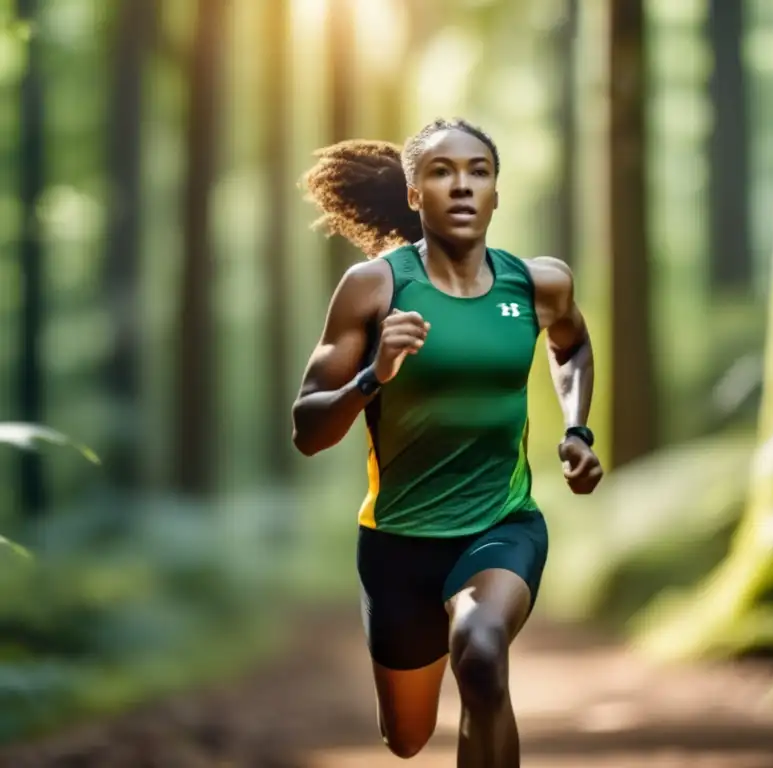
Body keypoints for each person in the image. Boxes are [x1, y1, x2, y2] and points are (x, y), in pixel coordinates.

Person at [291, 118, 603, 767]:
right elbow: (307, 430)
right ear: (413, 195)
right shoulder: (374, 288)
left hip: (501, 525)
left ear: (496, 193)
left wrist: (577, 429)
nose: (462, 186)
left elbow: (570, 348)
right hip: (398, 540)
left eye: (478, 171)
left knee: (483, 652)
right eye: (440, 172)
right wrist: (373, 377)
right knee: (404, 737)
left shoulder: (538, 284)